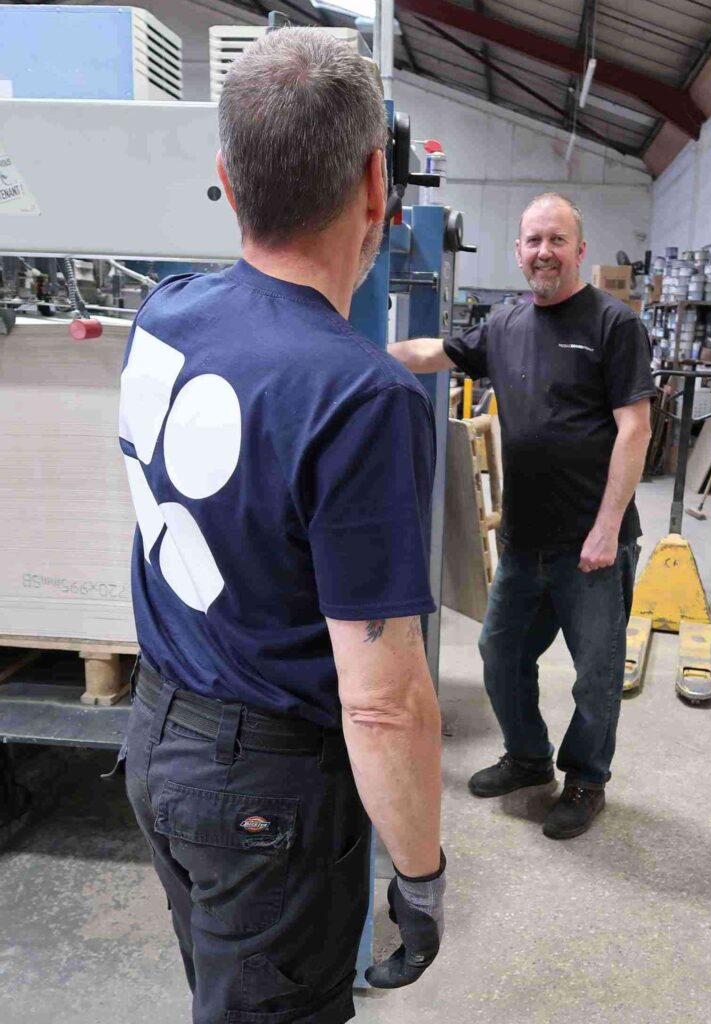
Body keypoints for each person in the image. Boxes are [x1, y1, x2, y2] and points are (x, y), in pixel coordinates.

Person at [115, 29, 445, 1024]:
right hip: (264, 788)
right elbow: (383, 703)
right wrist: (421, 875)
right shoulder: (360, 403)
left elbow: (268, 374)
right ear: (376, 185)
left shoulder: (165, 315)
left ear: (226, 176)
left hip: (159, 738)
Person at [389, 193, 655, 840]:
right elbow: (431, 353)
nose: (544, 252)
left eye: (557, 240)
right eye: (533, 240)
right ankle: (528, 758)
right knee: (500, 653)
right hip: (523, 538)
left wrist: (605, 526)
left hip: (591, 544)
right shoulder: (505, 325)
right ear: (517, 250)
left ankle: (586, 779)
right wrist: (351, 350)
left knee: (595, 675)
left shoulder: (613, 325)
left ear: (579, 250)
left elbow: (634, 429)